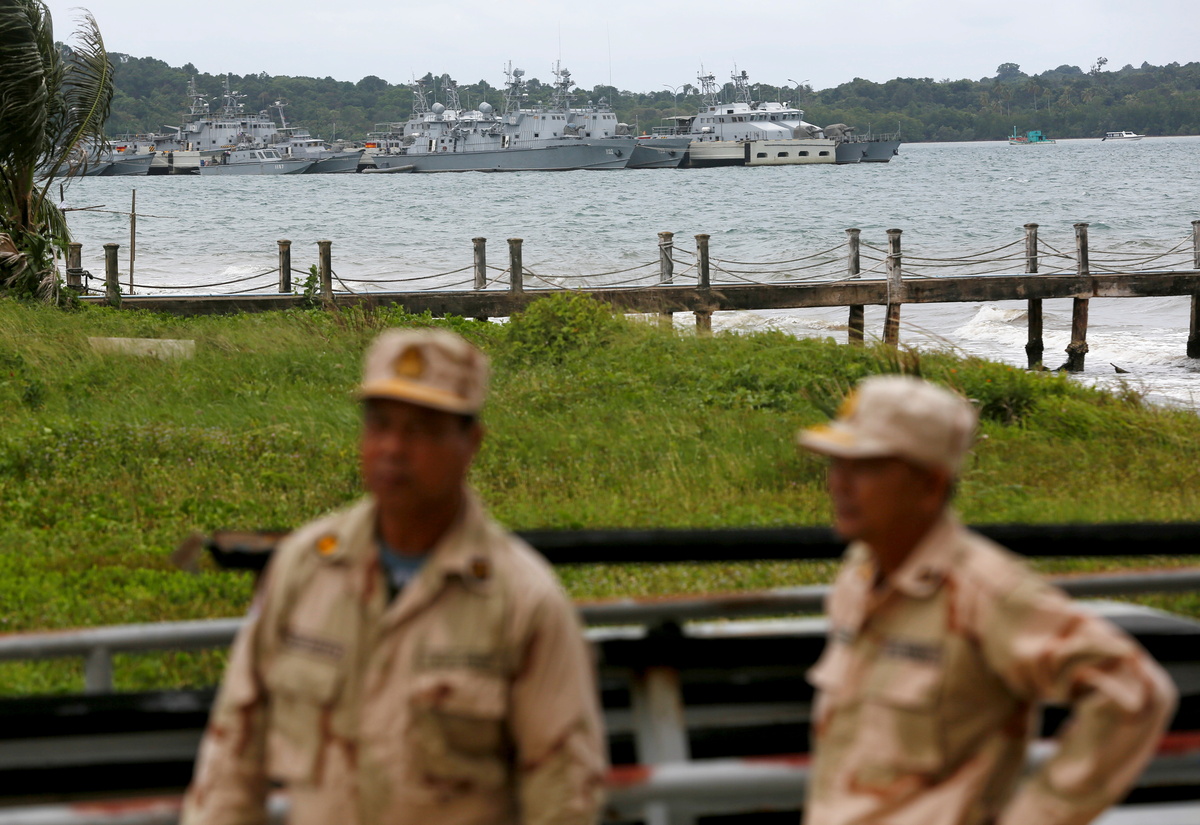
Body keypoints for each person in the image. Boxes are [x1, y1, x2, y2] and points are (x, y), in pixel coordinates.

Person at [181, 328, 607, 825]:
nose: (393, 448)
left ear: (470, 442)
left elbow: (563, 793)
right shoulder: (305, 569)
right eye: (379, 424)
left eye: (421, 429)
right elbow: (232, 757)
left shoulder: (520, 598)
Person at [796, 375, 1176, 825]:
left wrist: (1039, 815)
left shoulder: (983, 591)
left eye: (866, 467)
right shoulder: (859, 576)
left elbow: (1134, 692)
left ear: (930, 485)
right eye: (836, 463)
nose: (839, 484)